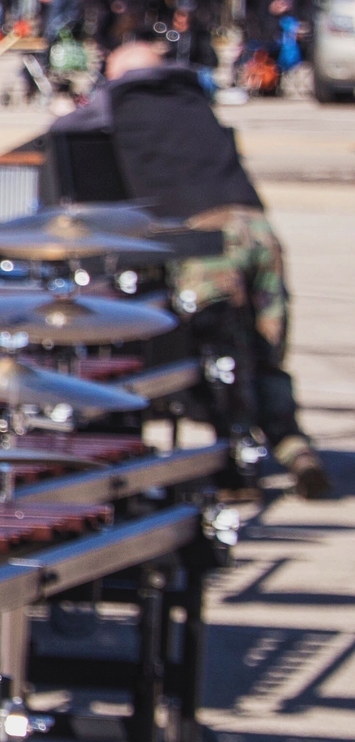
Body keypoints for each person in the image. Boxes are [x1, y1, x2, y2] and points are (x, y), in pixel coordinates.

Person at [47, 37, 329, 497]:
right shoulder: (194, 95)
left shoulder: (120, 98)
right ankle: (292, 445)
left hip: (206, 236)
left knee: (216, 349)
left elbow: (63, 132)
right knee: (264, 346)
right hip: (256, 227)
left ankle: (236, 466)